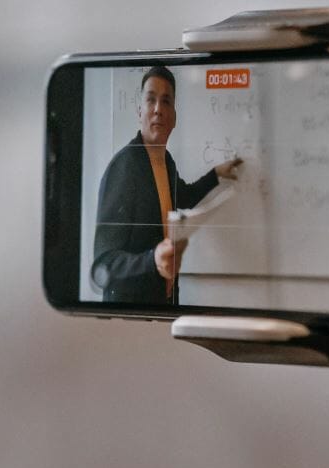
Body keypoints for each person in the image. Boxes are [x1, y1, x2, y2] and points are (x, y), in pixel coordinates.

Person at [92, 66, 242, 304]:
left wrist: (215, 175)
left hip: (163, 301)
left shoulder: (166, 161)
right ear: (139, 110)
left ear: (174, 117)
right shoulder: (124, 167)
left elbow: (181, 197)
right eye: (150, 100)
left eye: (166, 101)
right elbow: (103, 262)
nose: (158, 110)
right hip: (132, 312)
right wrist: (153, 259)